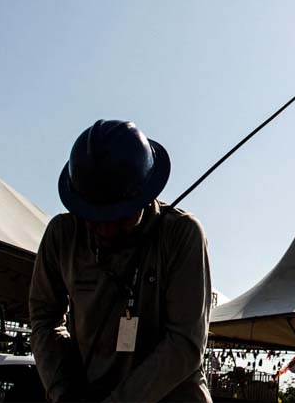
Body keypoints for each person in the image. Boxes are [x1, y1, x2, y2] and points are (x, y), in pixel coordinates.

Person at [30, 119, 213, 402]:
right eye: (94, 216)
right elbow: (44, 317)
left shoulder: (181, 234)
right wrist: (63, 390)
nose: (105, 229)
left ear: (144, 195)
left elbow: (185, 343)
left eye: (117, 217)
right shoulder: (62, 235)